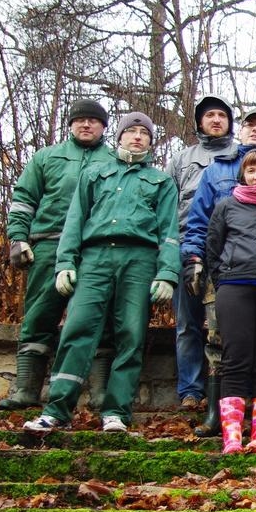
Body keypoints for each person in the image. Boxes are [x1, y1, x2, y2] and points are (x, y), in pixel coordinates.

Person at [23, 112, 179, 433]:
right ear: (119, 136)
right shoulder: (95, 174)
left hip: (139, 260)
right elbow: (74, 222)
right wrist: (65, 263)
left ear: (151, 141)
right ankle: (57, 410)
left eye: (144, 133)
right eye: (131, 131)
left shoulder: (161, 182)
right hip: (94, 258)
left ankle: (117, 412)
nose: (137, 137)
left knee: (130, 335)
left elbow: (170, 232)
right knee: (77, 329)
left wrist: (167, 273)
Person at [181, 107, 256, 436]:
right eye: (250, 126)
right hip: (233, 280)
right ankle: (219, 418)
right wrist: (207, 268)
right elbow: (207, 232)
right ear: (241, 131)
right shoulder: (217, 173)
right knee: (221, 346)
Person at [1, 98, 117, 411]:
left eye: (94, 121)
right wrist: (17, 238)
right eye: (80, 120)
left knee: (99, 320)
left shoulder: (114, 160)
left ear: (104, 127)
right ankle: (26, 389)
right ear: (70, 125)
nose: (86, 125)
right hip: (48, 244)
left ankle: (100, 393)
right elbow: (24, 199)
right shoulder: (47, 158)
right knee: (40, 316)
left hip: (95, 249)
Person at [205, 150, 256, 453]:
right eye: (251, 171)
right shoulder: (226, 206)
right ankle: (231, 438)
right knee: (235, 360)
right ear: (243, 175)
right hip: (235, 287)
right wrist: (224, 277)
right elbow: (212, 249)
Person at [166, 94, 238, 411]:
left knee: (224, 325)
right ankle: (190, 391)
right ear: (199, 122)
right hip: (186, 245)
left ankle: (222, 392)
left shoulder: (240, 157)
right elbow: (167, 208)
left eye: (222, 115)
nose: (216, 120)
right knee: (187, 323)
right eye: (209, 115)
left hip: (227, 250)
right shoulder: (182, 160)